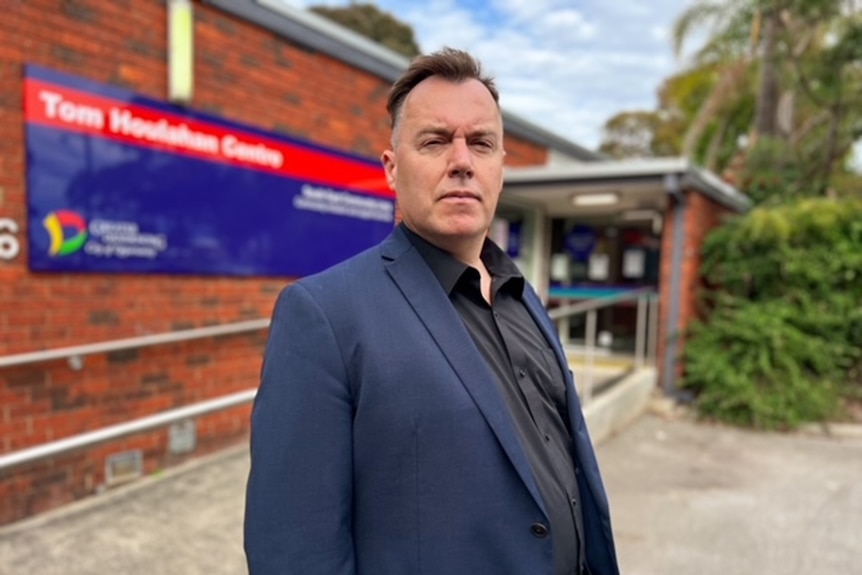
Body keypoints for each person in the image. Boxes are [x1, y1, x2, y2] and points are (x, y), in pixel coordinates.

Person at [244, 47, 620, 575]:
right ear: (392, 169)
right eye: (436, 141)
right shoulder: (325, 315)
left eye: (481, 143)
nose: (462, 160)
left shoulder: (522, 296)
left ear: (500, 168)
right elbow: (294, 551)